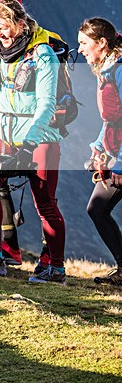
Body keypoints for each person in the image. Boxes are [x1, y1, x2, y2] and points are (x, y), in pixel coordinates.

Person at [0, 0, 67, 284]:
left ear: (21, 23)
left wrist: (30, 143)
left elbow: (46, 104)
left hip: (40, 135)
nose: (1, 35)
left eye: (5, 28)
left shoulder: (43, 55)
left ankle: (56, 268)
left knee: (44, 201)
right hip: (4, 130)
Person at [77, 17, 122, 286]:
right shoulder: (107, 69)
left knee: (98, 208)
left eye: (84, 43)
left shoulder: (119, 71)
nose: (80, 49)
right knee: (97, 208)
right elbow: (112, 119)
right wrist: (98, 145)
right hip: (114, 153)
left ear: (102, 43)